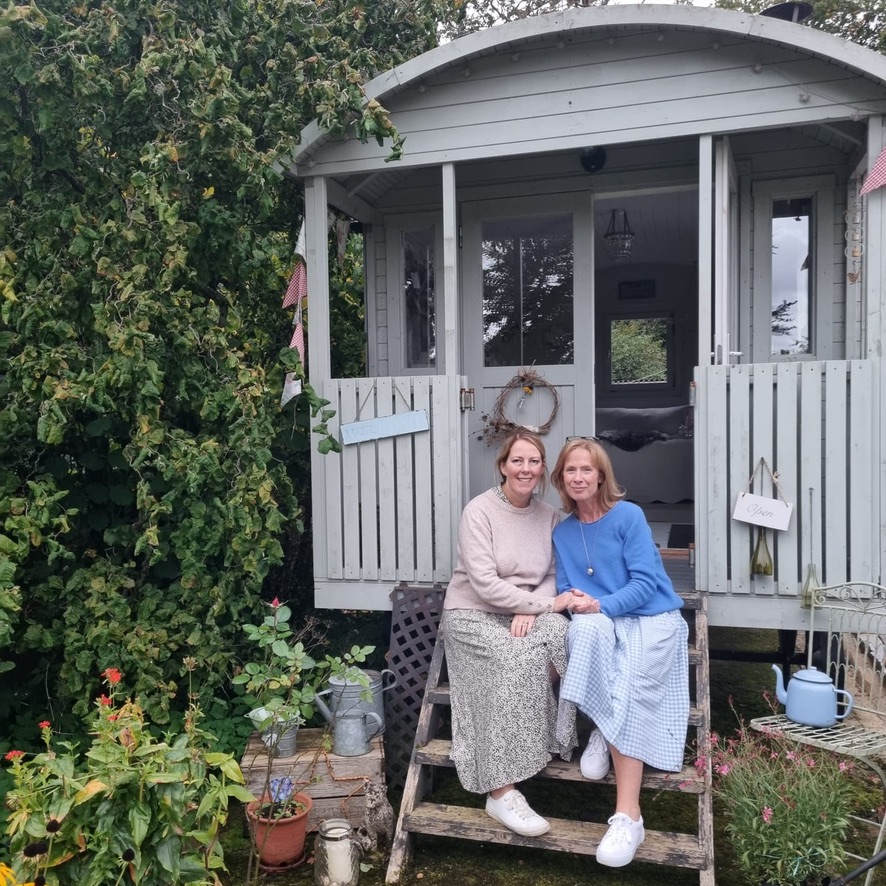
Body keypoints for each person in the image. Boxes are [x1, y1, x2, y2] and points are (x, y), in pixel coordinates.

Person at [550, 437, 689, 868]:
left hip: (651, 616)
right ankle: (604, 731)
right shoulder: (563, 532)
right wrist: (577, 602)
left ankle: (629, 816)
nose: (578, 477)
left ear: (601, 475)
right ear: (561, 478)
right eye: (570, 470)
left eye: (586, 470)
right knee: (585, 636)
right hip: (603, 618)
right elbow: (564, 587)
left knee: (628, 678)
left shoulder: (628, 516)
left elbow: (647, 583)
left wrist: (600, 604)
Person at [440, 429, 577, 837]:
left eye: (534, 461)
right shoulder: (479, 511)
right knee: (513, 661)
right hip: (473, 615)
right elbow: (483, 583)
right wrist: (533, 605)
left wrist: (533, 608)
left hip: (527, 612)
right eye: (518, 461)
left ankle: (547, 739)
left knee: (565, 639)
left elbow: (554, 575)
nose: (526, 469)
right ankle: (502, 793)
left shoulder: (549, 515)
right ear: (502, 466)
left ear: (542, 468)